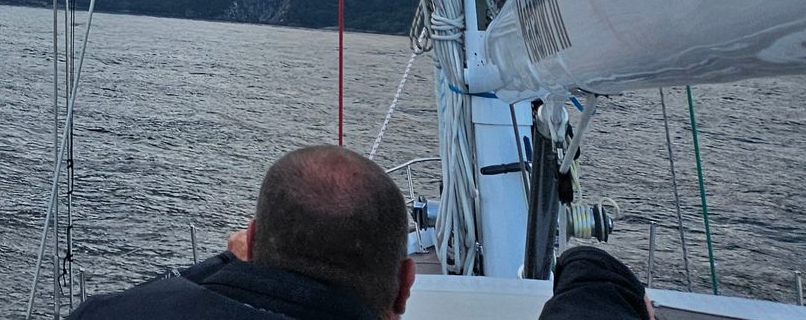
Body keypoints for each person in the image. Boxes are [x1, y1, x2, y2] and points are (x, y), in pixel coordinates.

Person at [70, 144, 655, 320]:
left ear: (247, 243)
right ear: (404, 286)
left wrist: (222, 269)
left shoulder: (102, 314)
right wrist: (589, 270)